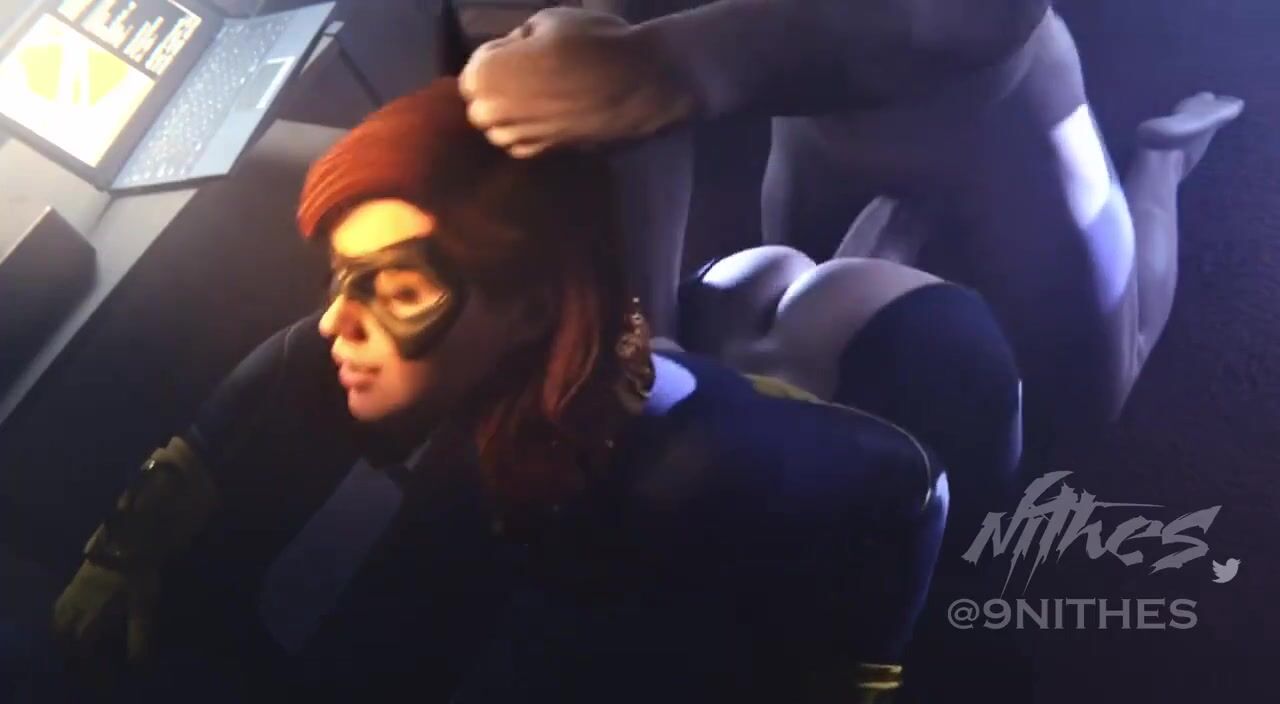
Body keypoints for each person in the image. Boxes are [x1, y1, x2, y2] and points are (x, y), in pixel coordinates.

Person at [43, 78, 991, 703]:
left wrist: (853, 676)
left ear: (533, 306)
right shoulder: (459, 365)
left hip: (881, 356)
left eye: (399, 292)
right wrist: (136, 540)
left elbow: (912, 487)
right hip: (660, 336)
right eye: (343, 280)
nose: (336, 322)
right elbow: (292, 354)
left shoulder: (690, 467)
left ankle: (914, 226)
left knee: (846, 288)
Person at [452, 2, 1245, 459]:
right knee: (805, 371)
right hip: (821, 140)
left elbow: (973, 19)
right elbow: (624, 90)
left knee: (1087, 406)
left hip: (1005, 134)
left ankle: (1163, 162)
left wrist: (680, 66)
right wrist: (648, 342)